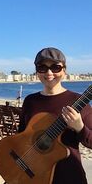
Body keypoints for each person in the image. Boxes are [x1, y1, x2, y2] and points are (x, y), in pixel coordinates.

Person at [18, 47, 92, 184]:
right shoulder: (30, 101)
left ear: (64, 70)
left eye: (55, 67)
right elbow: (20, 137)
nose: (49, 72)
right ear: (36, 71)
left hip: (69, 177)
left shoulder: (79, 102)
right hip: (33, 176)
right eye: (42, 67)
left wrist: (80, 127)